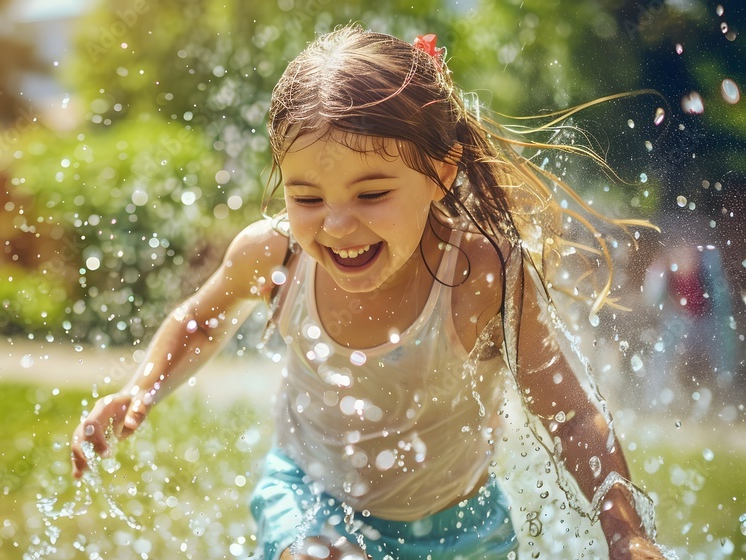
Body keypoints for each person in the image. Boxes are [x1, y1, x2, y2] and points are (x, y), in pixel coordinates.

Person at [71, 24, 669, 560]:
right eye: (307, 198)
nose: (336, 225)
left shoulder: (485, 274)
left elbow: (570, 413)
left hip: (461, 529)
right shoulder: (273, 253)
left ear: (441, 172)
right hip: (311, 503)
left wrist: (625, 532)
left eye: (371, 194)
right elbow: (200, 321)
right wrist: (139, 389)